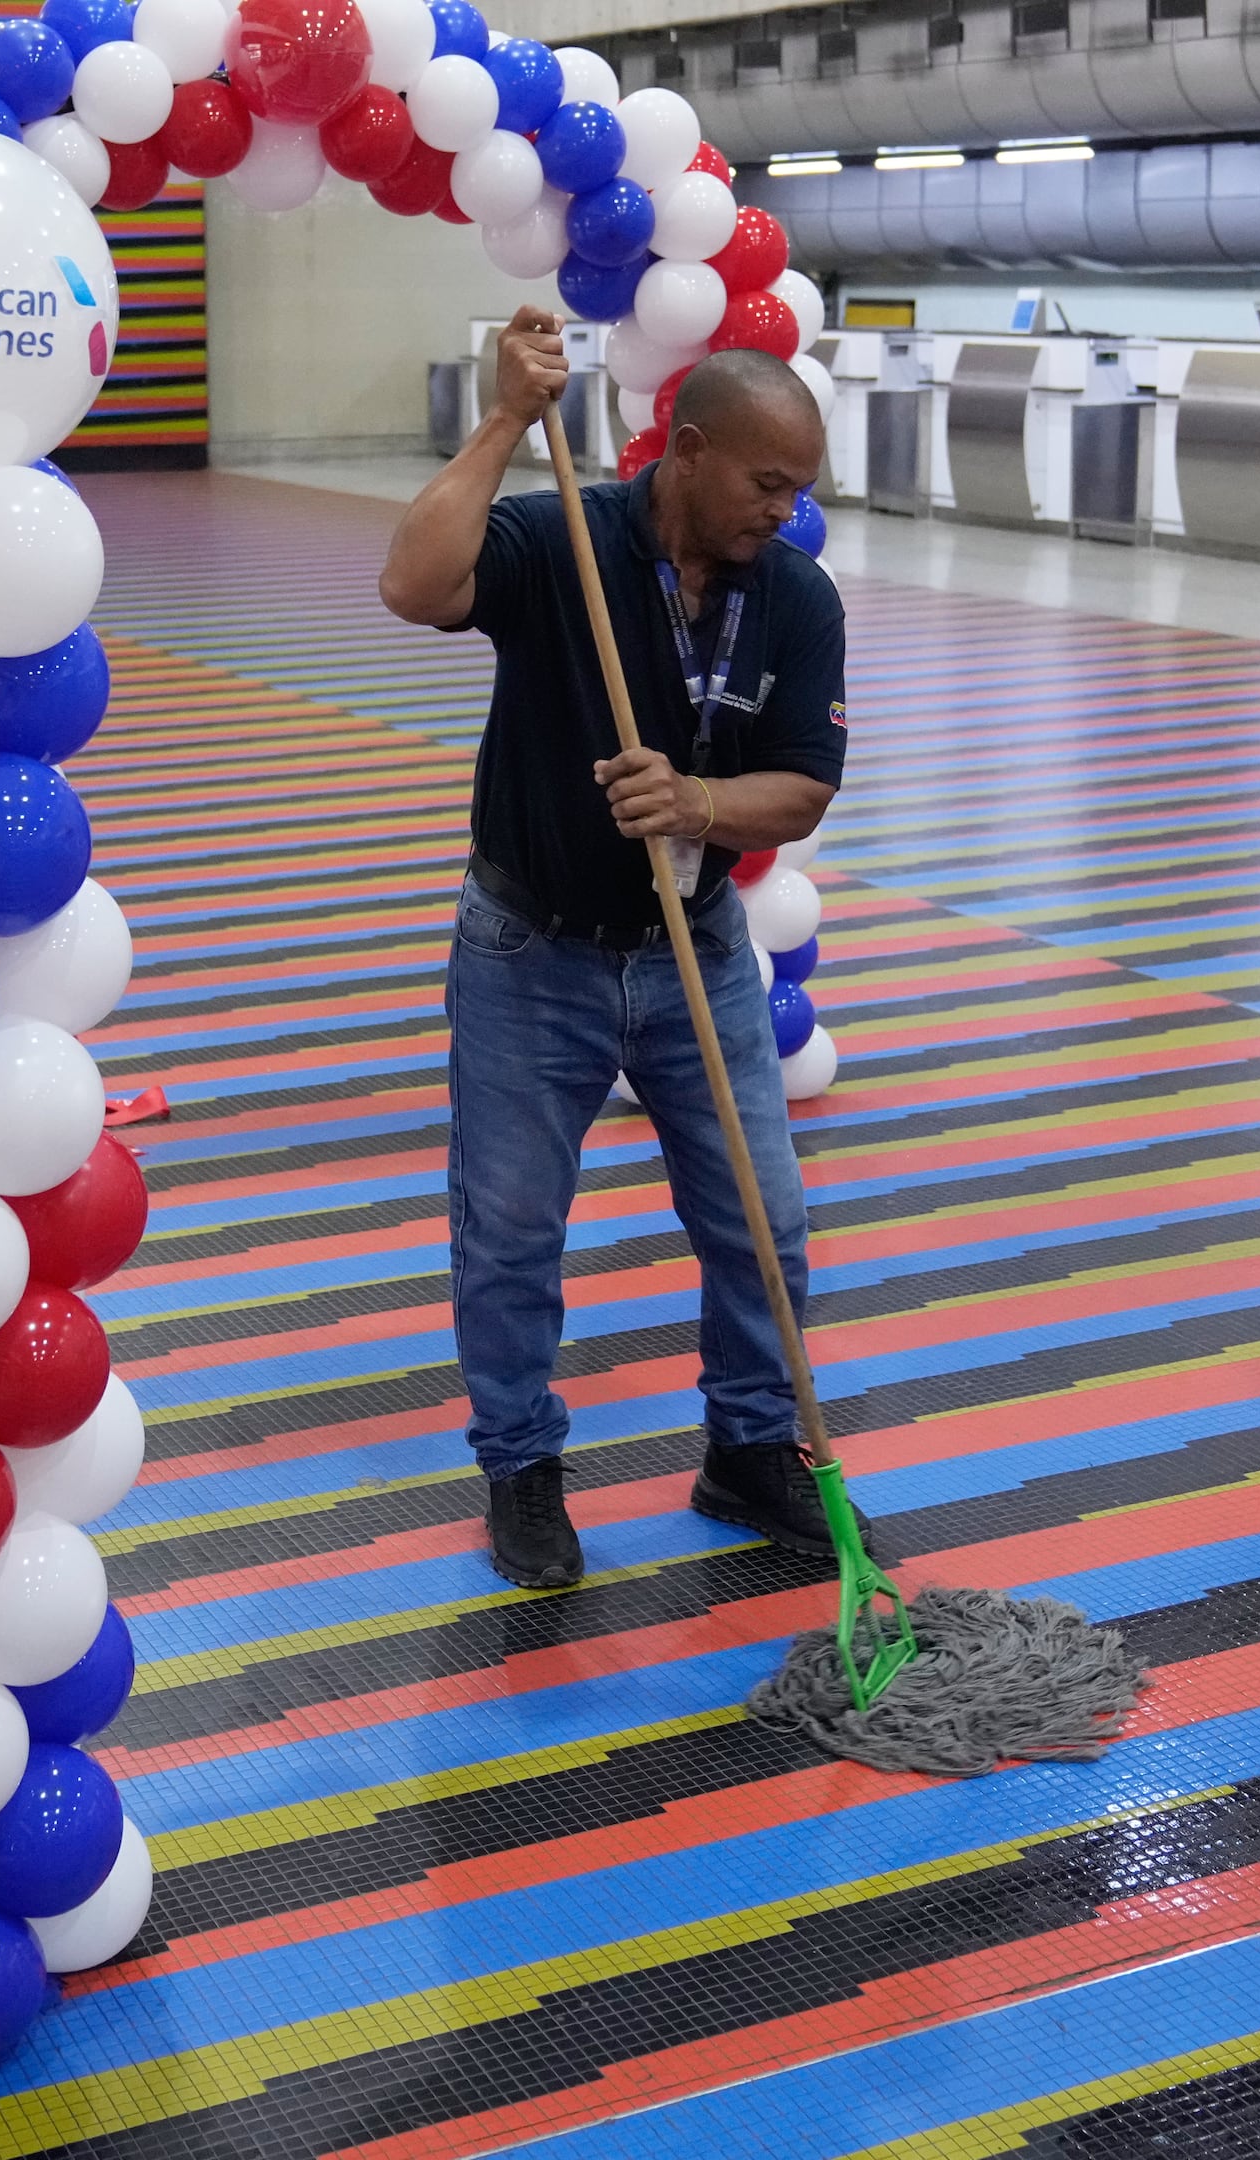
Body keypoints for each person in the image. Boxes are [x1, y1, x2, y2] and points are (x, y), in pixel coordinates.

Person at [377, 307, 874, 1590]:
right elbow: (413, 585)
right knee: (512, 1230)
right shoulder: (563, 540)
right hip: (527, 950)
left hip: (691, 949)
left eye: (802, 491)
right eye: (770, 485)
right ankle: (524, 1466)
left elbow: (806, 788)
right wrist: (501, 416)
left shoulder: (797, 596)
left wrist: (700, 806)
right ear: (692, 451)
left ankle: (753, 1449)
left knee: (764, 1218)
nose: (786, 511)